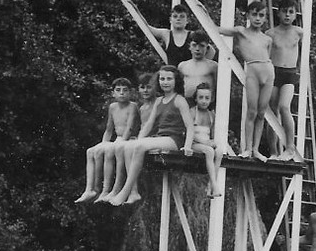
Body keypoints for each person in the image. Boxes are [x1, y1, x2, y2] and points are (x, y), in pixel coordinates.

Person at [107, 65, 194, 206]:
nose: (165, 82)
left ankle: (125, 191)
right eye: (162, 79)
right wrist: (139, 139)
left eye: (169, 79)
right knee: (129, 146)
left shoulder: (179, 100)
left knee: (139, 146)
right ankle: (133, 192)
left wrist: (188, 146)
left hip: (174, 139)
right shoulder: (159, 101)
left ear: (176, 80)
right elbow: (148, 125)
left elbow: (190, 126)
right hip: (160, 138)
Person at [219, 2, 274, 161]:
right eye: (254, 14)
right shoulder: (241, 31)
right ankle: (247, 149)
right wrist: (203, 14)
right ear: (248, 15)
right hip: (252, 71)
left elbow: (267, 57)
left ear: (264, 18)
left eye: (261, 15)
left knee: (262, 112)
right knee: (252, 111)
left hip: (268, 72)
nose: (257, 18)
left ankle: (256, 150)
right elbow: (218, 30)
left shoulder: (267, 39)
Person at [74, 78, 138, 203]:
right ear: (113, 93)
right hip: (118, 139)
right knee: (91, 151)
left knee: (109, 151)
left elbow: (129, 129)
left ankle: (105, 190)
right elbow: (109, 130)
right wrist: (103, 143)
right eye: (118, 90)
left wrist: (116, 143)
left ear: (130, 93)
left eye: (125, 90)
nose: (121, 93)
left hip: (129, 139)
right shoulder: (112, 107)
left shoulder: (133, 106)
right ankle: (90, 189)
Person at [267, 0, 304, 161]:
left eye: (291, 12)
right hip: (274, 72)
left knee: (284, 107)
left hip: (290, 73)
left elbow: (304, 53)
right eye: (284, 12)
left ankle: (290, 147)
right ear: (279, 13)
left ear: (295, 15)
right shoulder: (271, 33)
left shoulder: (299, 32)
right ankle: (273, 151)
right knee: (272, 111)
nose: (287, 15)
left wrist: (301, 70)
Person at [146, 3, 216, 67]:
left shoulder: (192, 35)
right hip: (173, 77)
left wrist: (200, 66)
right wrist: (136, 11)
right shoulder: (166, 34)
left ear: (187, 20)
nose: (178, 19)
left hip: (189, 76)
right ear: (170, 20)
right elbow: (147, 28)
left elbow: (211, 51)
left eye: (182, 16)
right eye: (175, 16)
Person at [186, 83, 224, 198]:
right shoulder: (192, 112)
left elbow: (211, 134)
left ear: (211, 99)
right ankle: (215, 185)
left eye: (207, 98)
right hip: (194, 143)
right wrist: (205, 143)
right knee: (210, 151)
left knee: (219, 151)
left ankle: (210, 186)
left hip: (205, 144)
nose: (204, 101)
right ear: (196, 99)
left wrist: (213, 142)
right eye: (201, 97)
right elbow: (189, 133)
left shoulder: (211, 115)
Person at [177, 31, 218, 101]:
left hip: (206, 103)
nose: (197, 49)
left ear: (207, 48)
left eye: (202, 46)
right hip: (188, 104)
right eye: (194, 45)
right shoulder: (182, 66)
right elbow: (178, 88)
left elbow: (219, 88)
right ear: (189, 46)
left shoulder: (213, 66)